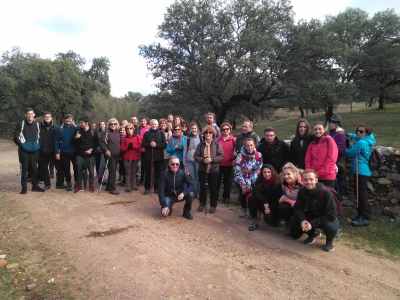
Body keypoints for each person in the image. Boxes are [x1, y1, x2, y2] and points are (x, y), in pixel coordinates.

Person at [290, 170, 340, 252]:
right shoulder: (302, 191)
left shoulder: (326, 192)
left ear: (316, 180)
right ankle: (313, 234)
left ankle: (329, 241)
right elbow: (298, 208)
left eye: (311, 179)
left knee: (330, 227)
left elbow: (331, 214)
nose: (308, 182)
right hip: (312, 214)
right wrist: (303, 220)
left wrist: (312, 224)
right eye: (305, 179)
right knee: (294, 220)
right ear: (302, 180)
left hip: (328, 218)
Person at [345, 124, 376, 227]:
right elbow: (355, 136)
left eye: (361, 131)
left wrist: (343, 147)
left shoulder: (361, 142)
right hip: (361, 171)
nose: (358, 132)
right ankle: (360, 215)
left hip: (361, 172)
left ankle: (365, 218)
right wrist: (349, 135)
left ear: (366, 133)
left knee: (361, 195)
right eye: (357, 130)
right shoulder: (365, 140)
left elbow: (350, 154)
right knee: (358, 194)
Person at [13, 107, 45, 194]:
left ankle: (35, 186)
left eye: (31, 114)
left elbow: (41, 137)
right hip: (24, 151)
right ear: (25, 115)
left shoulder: (38, 125)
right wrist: (22, 146)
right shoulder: (21, 124)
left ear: (34, 114)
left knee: (35, 168)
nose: (30, 116)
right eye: (28, 114)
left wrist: (39, 146)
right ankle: (24, 188)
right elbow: (16, 137)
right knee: (24, 169)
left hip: (35, 151)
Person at [194, 125, 224, 213]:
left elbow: (221, 156)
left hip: (214, 170)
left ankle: (213, 205)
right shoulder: (200, 144)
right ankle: (202, 203)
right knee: (202, 188)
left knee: (214, 188)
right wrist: (203, 160)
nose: (208, 134)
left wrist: (212, 160)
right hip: (202, 170)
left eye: (210, 133)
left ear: (213, 134)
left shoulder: (217, 144)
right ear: (204, 135)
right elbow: (195, 156)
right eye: (206, 133)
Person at [158, 156, 195, 220]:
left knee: (191, 194)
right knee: (165, 214)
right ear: (169, 164)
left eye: (177, 164)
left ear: (179, 164)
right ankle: (169, 207)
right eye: (173, 164)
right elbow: (160, 191)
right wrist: (164, 205)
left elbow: (191, 185)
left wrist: (183, 193)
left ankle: (186, 212)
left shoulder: (182, 173)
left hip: (180, 195)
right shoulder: (164, 174)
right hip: (169, 196)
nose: (175, 166)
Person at [233, 138, 263, 218]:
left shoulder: (259, 155)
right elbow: (238, 171)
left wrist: (250, 182)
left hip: (254, 179)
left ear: (254, 145)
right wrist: (244, 185)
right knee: (244, 192)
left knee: (253, 194)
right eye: (247, 146)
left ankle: (251, 209)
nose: (250, 147)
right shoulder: (240, 156)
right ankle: (243, 208)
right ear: (245, 146)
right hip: (241, 178)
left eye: (251, 145)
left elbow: (257, 169)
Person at [247, 164, 282, 231]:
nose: (267, 174)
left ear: (272, 172)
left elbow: (277, 200)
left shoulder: (277, 183)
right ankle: (254, 220)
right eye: (264, 172)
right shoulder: (259, 180)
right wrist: (264, 201)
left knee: (269, 221)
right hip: (263, 203)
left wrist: (270, 209)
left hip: (272, 206)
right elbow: (255, 191)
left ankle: (276, 219)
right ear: (262, 173)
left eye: (269, 172)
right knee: (251, 198)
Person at [305, 122, 338, 188]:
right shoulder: (312, 144)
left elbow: (332, 159)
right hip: (314, 177)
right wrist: (310, 173)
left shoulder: (330, 141)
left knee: (327, 197)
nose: (317, 131)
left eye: (320, 129)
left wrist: (319, 173)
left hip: (327, 176)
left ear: (324, 130)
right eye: (315, 129)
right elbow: (308, 160)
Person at [74, 116, 99, 193]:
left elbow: (97, 143)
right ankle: (79, 186)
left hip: (90, 154)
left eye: (82, 123)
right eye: (80, 123)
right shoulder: (78, 131)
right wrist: (76, 137)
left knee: (91, 170)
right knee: (78, 168)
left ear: (87, 123)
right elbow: (73, 142)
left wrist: (91, 149)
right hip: (80, 153)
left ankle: (91, 185)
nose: (80, 124)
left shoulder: (93, 132)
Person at [142, 119, 167, 195]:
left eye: (155, 124)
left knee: (158, 173)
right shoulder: (146, 133)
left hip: (158, 157)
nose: (154, 126)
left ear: (158, 125)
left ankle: (156, 188)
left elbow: (164, 144)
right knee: (148, 173)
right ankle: (147, 188)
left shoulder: (161, 133)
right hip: (148, 156)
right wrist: (149, 144)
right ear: (150, 125)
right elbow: (143, 144)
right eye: (152, 124)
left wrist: (156, 145)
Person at [54, 114, 78, 191]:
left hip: (74, 152)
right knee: (66, 168)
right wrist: (57, 152)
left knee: (76, 168)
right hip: (63, 151)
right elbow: (56, 141)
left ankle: (77, 181)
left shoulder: (77, 128)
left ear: (73, 120)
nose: (68, 120)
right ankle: (68, 183)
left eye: (70, 118)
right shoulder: (59, 128)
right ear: (64, 120)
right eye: (66, 118)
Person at [279, 163, 303, 235]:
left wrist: (289, 201)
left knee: (295, 235)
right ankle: (288, 224)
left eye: (288, 174)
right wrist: (283, 197)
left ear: (295, 173)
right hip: (291, 206)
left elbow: (303, 203)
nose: (286, 176)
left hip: (301, 209)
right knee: (282, 206)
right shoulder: (284, 183)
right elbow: (283, 193)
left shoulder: (303, 184)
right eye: (284, 174)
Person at [216, 123, 236, 203]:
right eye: (223, 129)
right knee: (217, 180)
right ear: (221, 130)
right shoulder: (217, 139)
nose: (225, 131)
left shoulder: (234, 140)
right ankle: (215, 195)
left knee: (227, 181)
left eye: (227, 129)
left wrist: (233, 157)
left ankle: (226, 196)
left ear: (230, 130)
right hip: (218, 163)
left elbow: (236, 151)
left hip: (229, 163)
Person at [99, 118, 121, 195]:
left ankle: (108, 186)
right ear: (108, 125)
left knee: (113, 171)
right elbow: (101, 143)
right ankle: (112, 188)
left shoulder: (118, 132)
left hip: (117, 154)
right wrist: (106, 150)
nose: (113, 125)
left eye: (115, 124)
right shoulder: (105, 132)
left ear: (117, 125)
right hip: (109, 154)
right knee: (113, 171)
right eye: (111, 124)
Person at [327, 114, 347, 194]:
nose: (331, 123)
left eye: (334, 122)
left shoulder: (340, 134)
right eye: (330, 121)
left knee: (336, 186)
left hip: (336, 163)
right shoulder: (330, 133)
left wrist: (331, 146)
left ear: (338, 124)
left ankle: (338, 203)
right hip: (329, 163)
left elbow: (342, 150)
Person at [120, 123, 141, 192]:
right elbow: (122, 148)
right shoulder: (124, 138)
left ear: (133, 129)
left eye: (130, 128)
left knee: (134, 172)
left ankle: (133, 185)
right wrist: (127, 147)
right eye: (127, 129)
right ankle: (128, 186)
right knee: (127, 172)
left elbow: (140, 146)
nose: (129, 130)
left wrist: (133, 146)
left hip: (135, 157)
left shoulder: (137, 137)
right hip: (127, 158)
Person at [39, 111, 56, 191]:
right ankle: (47, 184)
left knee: (59, 167)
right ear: (43, 118)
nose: (47, 118)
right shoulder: (39, 127)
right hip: (43, 151)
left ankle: (60, 183)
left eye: (49, 117)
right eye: (46, 117)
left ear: (51, 118)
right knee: (44, 169)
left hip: (53, 151)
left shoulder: (55, 127)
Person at [183, 122, 201, 198]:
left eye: (195, 128)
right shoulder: (188, 138)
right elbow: (185, 150)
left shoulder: (201, 137)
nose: (193, 130)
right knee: (192, 177)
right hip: (189, 160)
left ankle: (200, 192)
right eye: (192, 128)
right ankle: (194, 191)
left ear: (197, 129)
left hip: (198, 161)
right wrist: (184, 161)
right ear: (190, 129)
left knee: (199, 177)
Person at [137, 117, 151, 185]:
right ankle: (141, 179)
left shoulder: (149, 128)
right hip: (141, 149)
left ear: (147, 122)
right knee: (142, 165)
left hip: (147, 150)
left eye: (144, 121)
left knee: (147, 165)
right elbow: (138, 137)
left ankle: (147, 180)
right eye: (142, 121)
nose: (143, 122)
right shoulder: (139, 129)